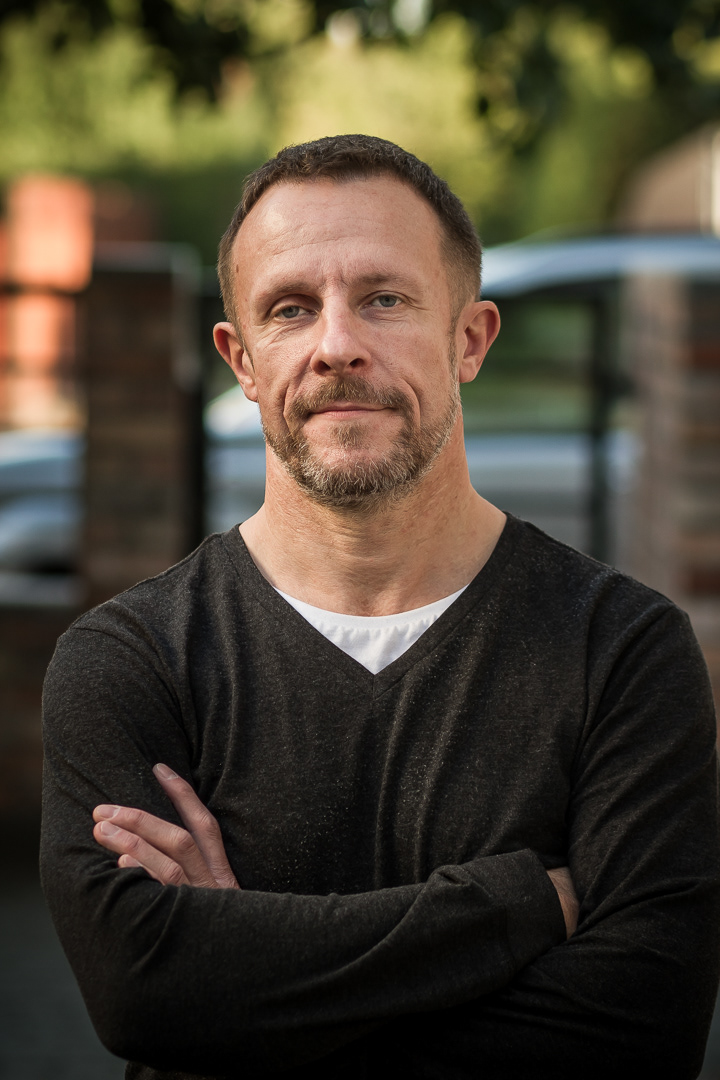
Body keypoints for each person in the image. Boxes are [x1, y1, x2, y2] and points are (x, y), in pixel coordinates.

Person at [41, 135, 720, 1080]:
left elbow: (639, 1036)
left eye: (385, 300)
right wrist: (514, 907)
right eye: (290, 309)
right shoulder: (131, 658)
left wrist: (240, 987)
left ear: (470, 339)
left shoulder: (621, 651)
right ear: (240, 359)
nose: (337, 346)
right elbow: (141, 993)